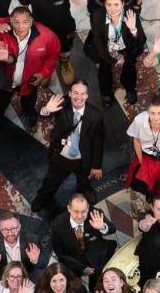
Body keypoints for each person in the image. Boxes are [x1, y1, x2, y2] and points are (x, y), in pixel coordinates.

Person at [0, 7, 61, 123]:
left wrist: (43, 73)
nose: (20, 26)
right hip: (6, 78)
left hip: (29, 81)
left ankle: (30, 113)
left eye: (25, 22)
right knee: (2, 100)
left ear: (32, 21)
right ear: (10, 20)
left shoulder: (46, 35)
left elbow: (53, 55)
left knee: (29, 100)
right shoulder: (3, 26)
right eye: (16, 22)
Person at [32, 81, 106, 218]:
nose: (79, 97)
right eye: (75, 93)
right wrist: (46, 109)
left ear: (87, 95)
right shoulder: (62, 104)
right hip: (61, 155)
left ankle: (85, 190)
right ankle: (42, 197)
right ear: (70, 93)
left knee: (83, 179)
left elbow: (98, 141)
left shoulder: (96, 115)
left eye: (83, 93)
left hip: (83, 158)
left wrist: (96, 165)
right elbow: (44, 115)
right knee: (51, 180)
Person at [86, 0, 148, 107]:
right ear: (104, 4)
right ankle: (106, 93)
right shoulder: (97, 15)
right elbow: (98, 42)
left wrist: (133, 29)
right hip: (107, 48)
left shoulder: (131, 14)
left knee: (130, 66)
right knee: (104, 68)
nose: (113, 9)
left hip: (126, 48)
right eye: (109, 5)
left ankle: (130, 88)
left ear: (123, 3)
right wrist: (112, 60)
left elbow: (141, 41)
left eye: (116, 4)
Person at [48, 193, 117, 283]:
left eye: (83, 211)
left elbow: (113, 229)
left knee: (96, 282)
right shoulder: (57, 225)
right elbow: (60, 253)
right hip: (75, 261)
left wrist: (103, 227)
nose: (80, 216)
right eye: (76, 211)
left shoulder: (95, 214)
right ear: (69, 209)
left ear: (88, 208)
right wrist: (82, 268)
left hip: (96, 255)